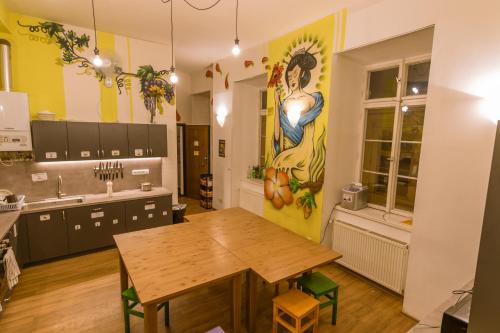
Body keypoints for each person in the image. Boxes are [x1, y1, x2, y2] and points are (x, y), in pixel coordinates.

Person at [272, 48, 324, 183]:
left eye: (295, 74)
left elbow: (310, 133)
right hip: (288, 150)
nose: (291, 79)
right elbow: (277, 135)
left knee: (301, 175)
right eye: (289, 77)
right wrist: (277, 103)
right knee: (278, 164)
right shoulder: (284, 103)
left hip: (305, 151)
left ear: (302, 74)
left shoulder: (312, 99)